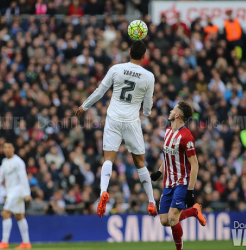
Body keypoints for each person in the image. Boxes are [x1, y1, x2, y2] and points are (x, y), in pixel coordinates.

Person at [75, 40, 157, 217]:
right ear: (144, 56)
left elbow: (100, 91)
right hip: (132, 121)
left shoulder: (116, 69)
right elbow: (148, 108)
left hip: (113, 118)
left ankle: (103, 192)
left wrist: (84, 106)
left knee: (108, 159)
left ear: (129, 51)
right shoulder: (148, 76)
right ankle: (151, 201)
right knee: (140, 163)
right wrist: (148, 111)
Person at [150, 101, 206, 250]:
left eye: (173, 110)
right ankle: (194, 211)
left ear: (177, 115)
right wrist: (159, 172)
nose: (170, 111)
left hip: (182, 182)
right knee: (164, 220)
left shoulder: (186, 137)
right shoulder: (168, 132)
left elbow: (195, 164)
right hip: (168, 183)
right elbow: (168, 157)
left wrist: (190, 190)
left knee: (173, 218)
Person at [0, 143, 32, 249]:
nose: (7, 150)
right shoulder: (5, 162)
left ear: (13, 148)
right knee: (19, 216)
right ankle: (26, 243)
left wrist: (27, 194)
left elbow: (23, 177)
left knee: (5, 213)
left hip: (18, 191)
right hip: (11, 192)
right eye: (5, 148)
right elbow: (0, 178)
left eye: (9, 147)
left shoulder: (18, 162)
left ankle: (5, 242)